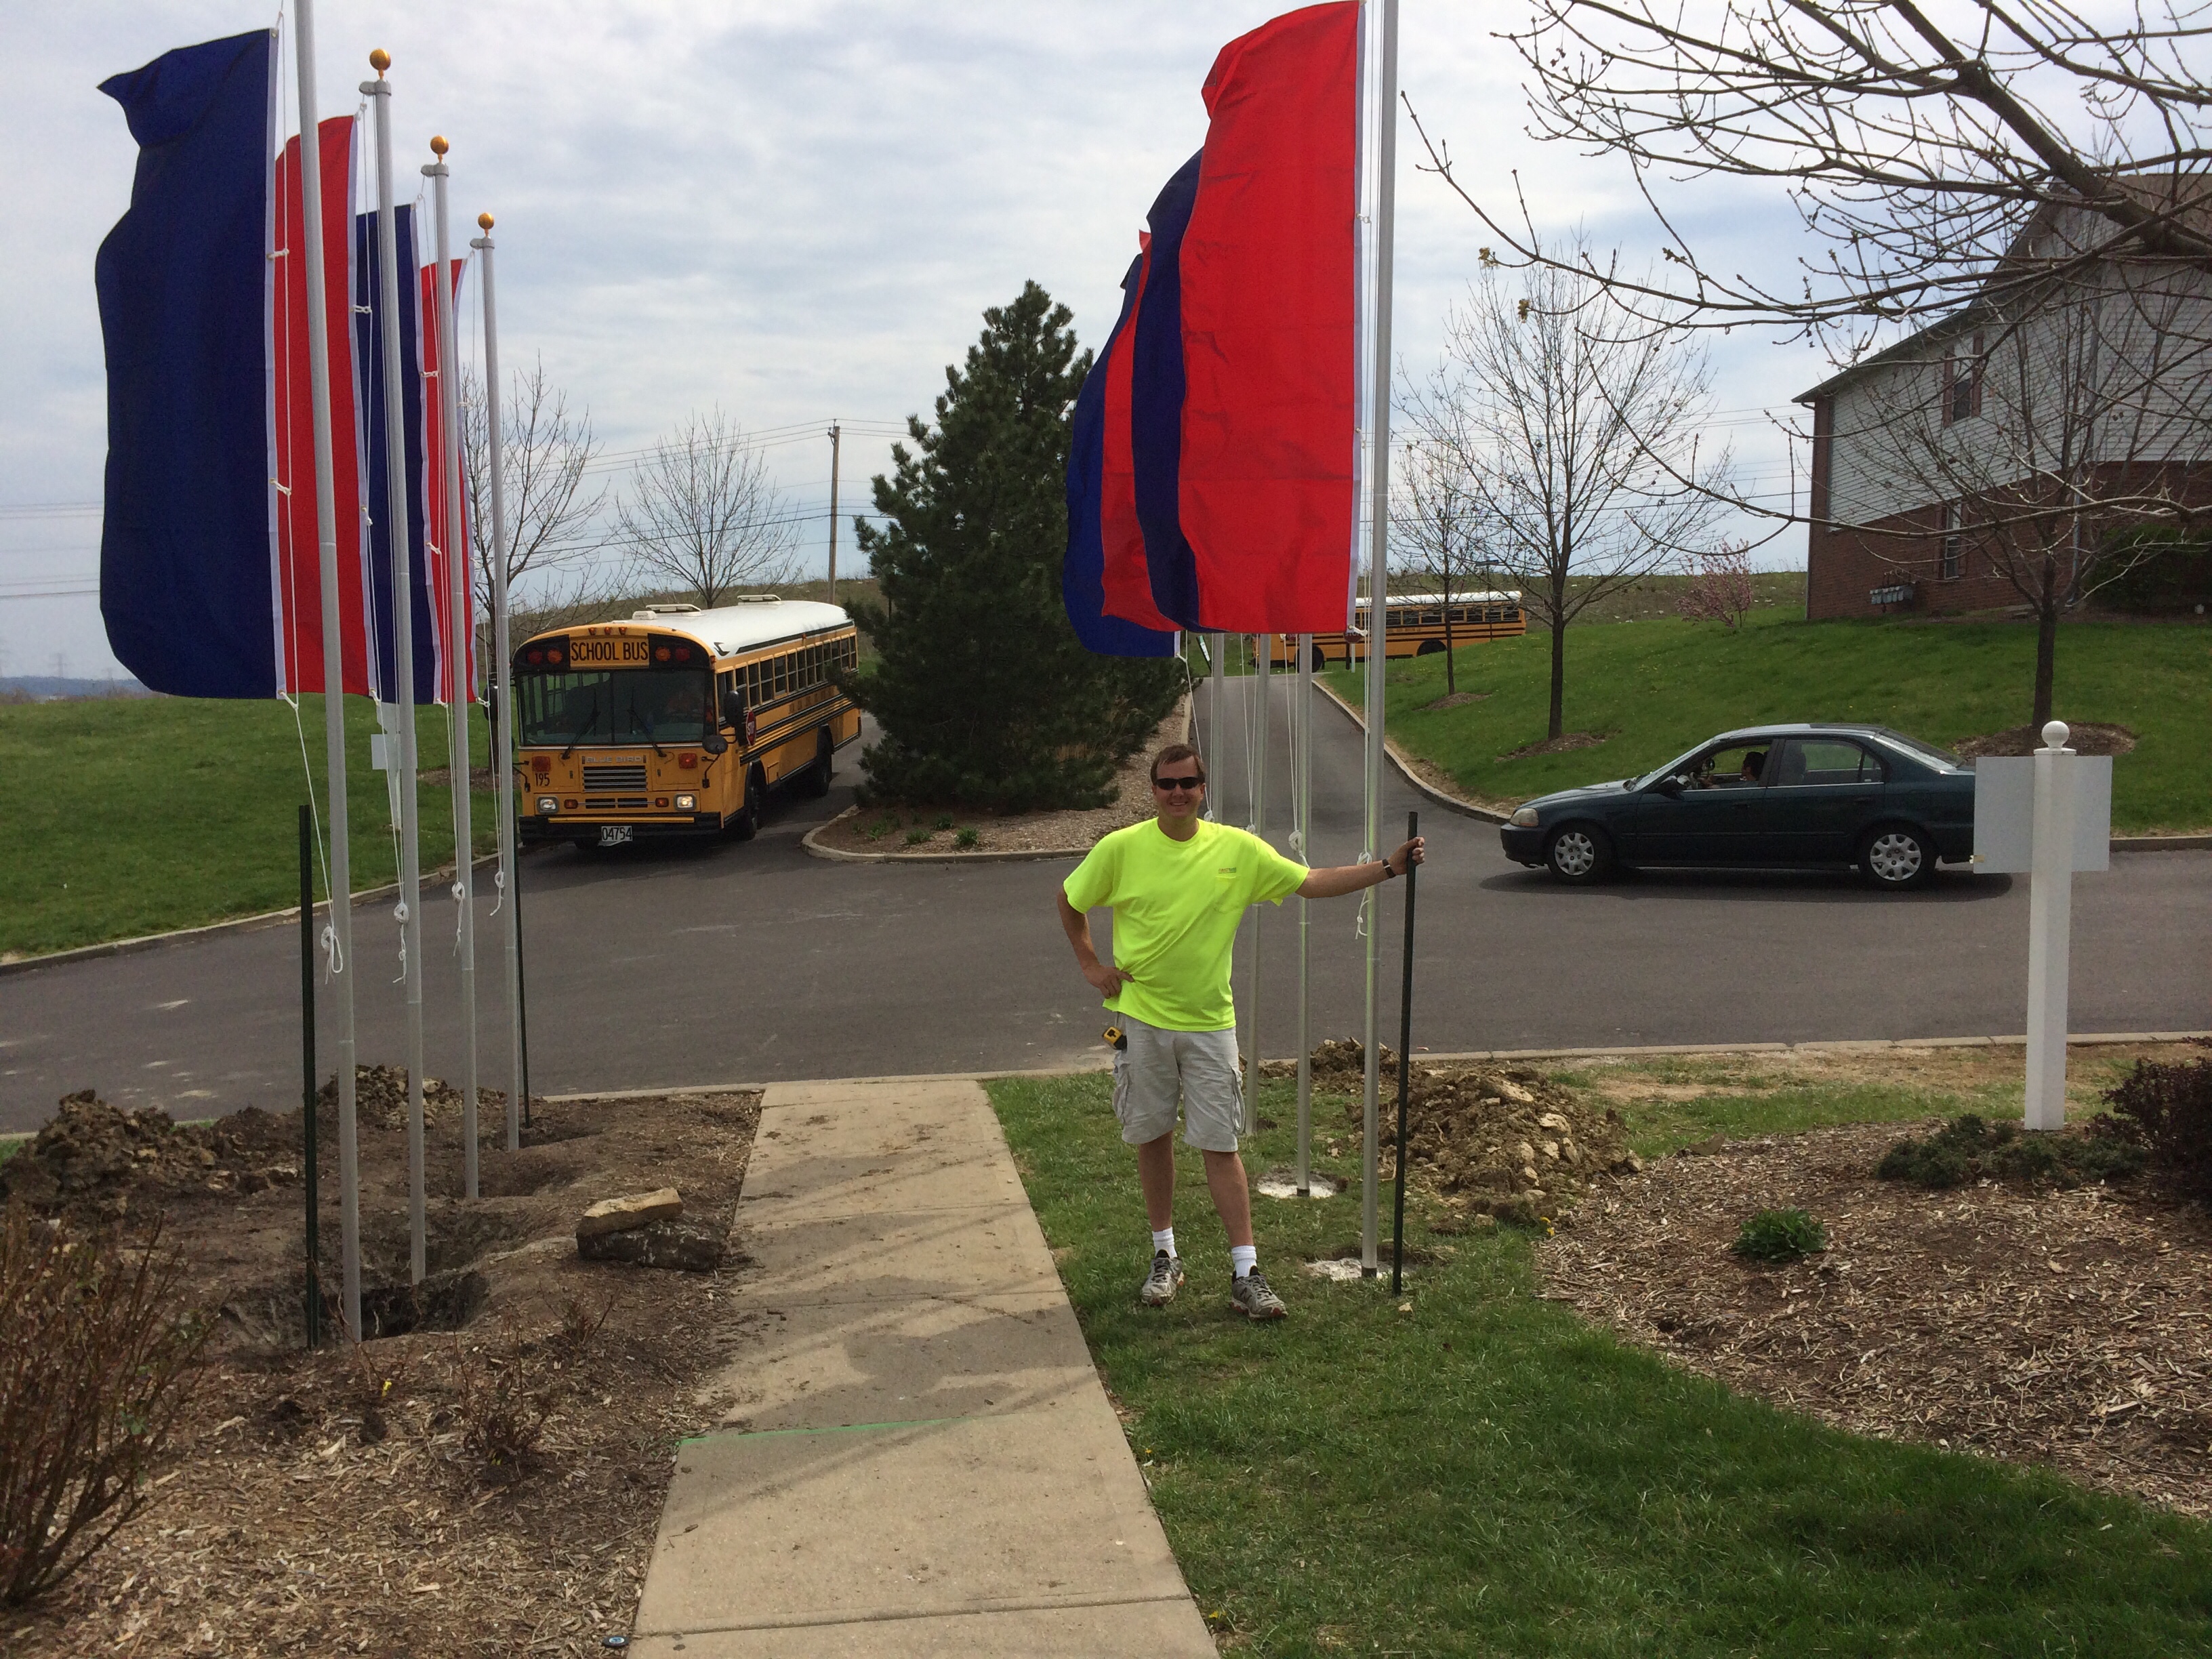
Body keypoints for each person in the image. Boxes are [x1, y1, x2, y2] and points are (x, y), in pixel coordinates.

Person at [1057, 742, 1426, 1319]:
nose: (1177, 793)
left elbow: (1310, 880)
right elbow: (1071, 899)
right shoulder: (1120, 850)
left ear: (1204, 789)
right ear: (1152, 791)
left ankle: (1245, 1272)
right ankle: (1164, 1256)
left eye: (1188, 784)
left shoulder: (1236, 849)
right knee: (1151, 1136)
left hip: (1210, 1027)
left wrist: (1389, 868)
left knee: (1220, 1144)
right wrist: (1090, 965)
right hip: (1141, 1021)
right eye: (1166, 784)